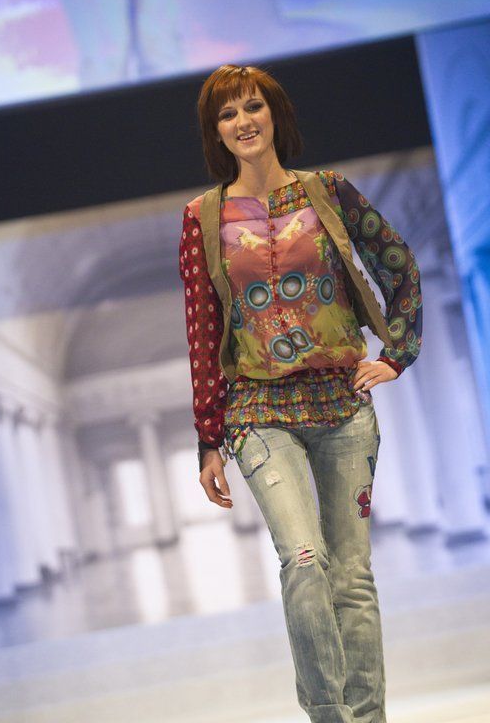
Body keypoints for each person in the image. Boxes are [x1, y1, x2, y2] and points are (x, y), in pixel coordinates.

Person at [178, 64, 422, 723]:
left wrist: (396, 355)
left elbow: (397, 264)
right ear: (216, 132)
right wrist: (208, 439)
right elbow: (203, 331)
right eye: (227, 114)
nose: (243, 121)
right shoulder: (202, 217)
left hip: (342, 404)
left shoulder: (328, 192)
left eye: (253, 106)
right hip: (258, 410)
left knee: (352, 576)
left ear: (274, 113)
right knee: (304, 560)